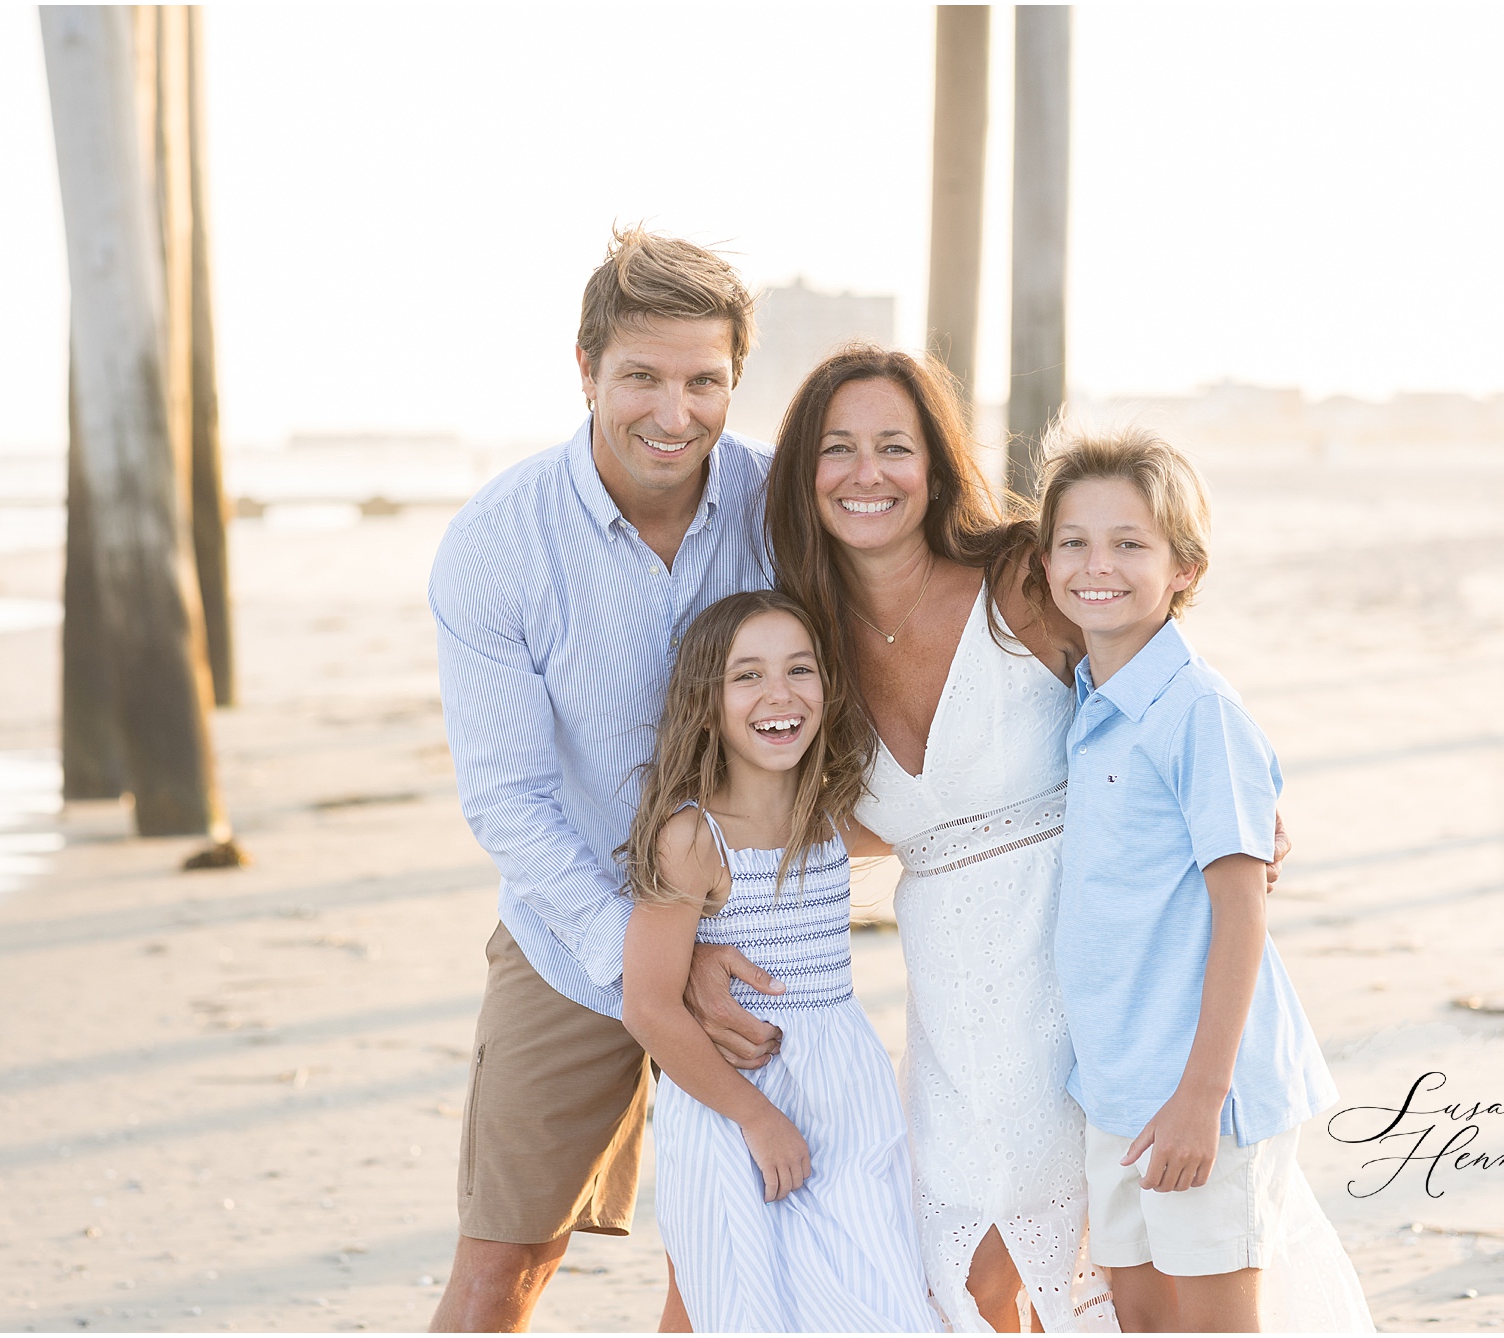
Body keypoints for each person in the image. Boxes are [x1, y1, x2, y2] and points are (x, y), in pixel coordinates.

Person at [426, 227, 788, 1332]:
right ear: (585, 370)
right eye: (640, 377)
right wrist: (646, 962)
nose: (672, 414)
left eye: (703, 381)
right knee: (504, 1265)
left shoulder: (783, 511)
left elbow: (947, 626)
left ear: (733, 380)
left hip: (755, 941)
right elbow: (508, 801)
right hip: (568, 934)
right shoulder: (497, 543)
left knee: (724, 1270)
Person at [764, 345, 1119, 1332]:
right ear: (804, 474)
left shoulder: (1018, 575)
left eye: (893, 446)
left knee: (1101, 1255)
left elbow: (1154, 686)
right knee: (962, 1273)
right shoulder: (804, 648)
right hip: (954, 995)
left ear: (934, 464)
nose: (866, 473)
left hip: (1082, 959)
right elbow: (836, 827)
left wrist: (1233, 797)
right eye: (837, 450)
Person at [1038, 426, 1372, 1332]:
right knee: (1140, 1316)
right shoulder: (1089, 700)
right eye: (1073, 540)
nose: (1095, 564)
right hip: (1113, 1083)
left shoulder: (1198, 712)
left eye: (1130, 544)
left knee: (1217, 1324)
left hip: (1201, 1089)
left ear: (1184, 568)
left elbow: (1242, 912)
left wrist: (1201, 1099)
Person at [619, 590, 938, 1332]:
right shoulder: (693, 839)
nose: (779, 694)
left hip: (846, 1095)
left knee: (875, 1299)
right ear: (706, 704)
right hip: (735, 1104)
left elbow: (958, 813)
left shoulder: (830, 819)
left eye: (800, 670)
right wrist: (758, 1118)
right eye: (747, 676)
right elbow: (650, 1005)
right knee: (742, 1307)